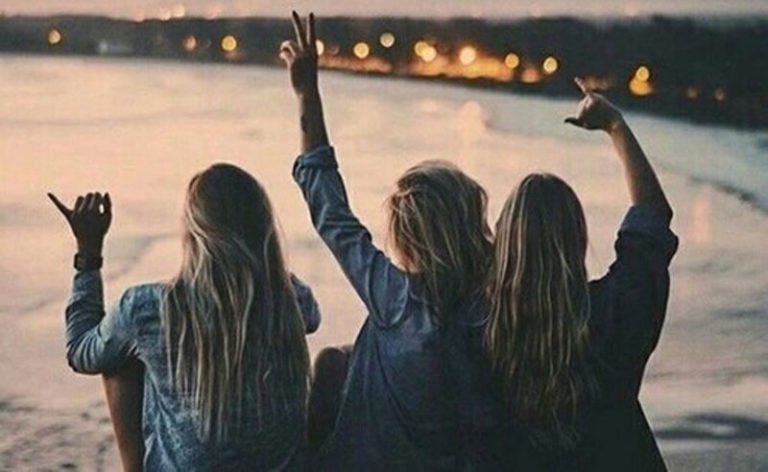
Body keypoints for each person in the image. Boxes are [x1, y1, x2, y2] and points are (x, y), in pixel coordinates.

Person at [280, 12, 493, 470]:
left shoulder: (394, 297)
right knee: (337, 360)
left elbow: (331, 211)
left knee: (332, 365)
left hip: (375, 461)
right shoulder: (495, 303)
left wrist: (307, 93)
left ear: (407, 236)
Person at [48, 163, 321, 471]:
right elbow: (312, 317)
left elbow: (80, 351)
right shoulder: (289, 300)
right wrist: (263, 268)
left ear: (193, 232)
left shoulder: (149, 309)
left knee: (119, 358)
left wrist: (88, 254)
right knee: (333, 361)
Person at [483, 78, 678, 470]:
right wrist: (615, 126)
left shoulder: (479, 329)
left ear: (504, 242)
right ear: (576, 238)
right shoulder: (615, 311)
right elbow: (653, 216)